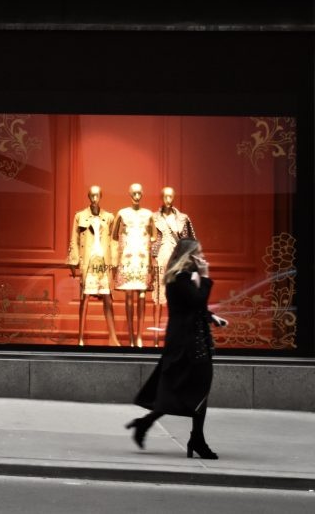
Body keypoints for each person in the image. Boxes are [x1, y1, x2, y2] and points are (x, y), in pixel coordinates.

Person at [125, 238, 229, 459]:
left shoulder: (184, 278)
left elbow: (195, 307)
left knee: (182, 389)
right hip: (187, 342)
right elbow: (197, 301)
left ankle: (148, 424)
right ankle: (197, 440)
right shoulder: (180, 279)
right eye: (198, 254)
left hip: (188, 339)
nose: (202, 258)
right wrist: (206, 276)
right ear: (188, 256)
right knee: (194, 389)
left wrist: (212, 317)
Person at [66, 185, 120, 346]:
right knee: (85, 298)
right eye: (92, 196)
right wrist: (74, 262)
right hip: (88, 260)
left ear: (101, 196)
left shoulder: (109, 217)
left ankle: (113, 338)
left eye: (97, 195)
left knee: (107, 299)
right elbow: (73, 240)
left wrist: (115, 263)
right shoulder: (80, 216)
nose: (95, 199)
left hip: (103, 261)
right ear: (88, 197)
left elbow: (114, 241)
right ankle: (80, 338)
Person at [151, 187, 197, 345]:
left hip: (178, 260)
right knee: (158, 297)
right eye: (165, 196)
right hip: (160, 258)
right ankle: (156, 339)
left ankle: (176, 338)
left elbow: (190, 242)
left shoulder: (183, 218)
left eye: (170, 196)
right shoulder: (154, 218)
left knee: (177, 298)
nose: (168, 200)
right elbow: (149, 240)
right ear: (161, 197)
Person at [112, 183, 155, 348]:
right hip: (128, 259)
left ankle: (139, 336)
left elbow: (153, 237)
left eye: (139, 193)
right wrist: (116, 262)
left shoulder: (148, 214)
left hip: (143, 260)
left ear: (142, 194)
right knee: (129, 297)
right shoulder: (122, 213)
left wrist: (152, 263)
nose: (136, 196)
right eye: (134, 193)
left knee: (142, 297)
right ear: (129, 194)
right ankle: (130, 337)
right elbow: (114, 236)